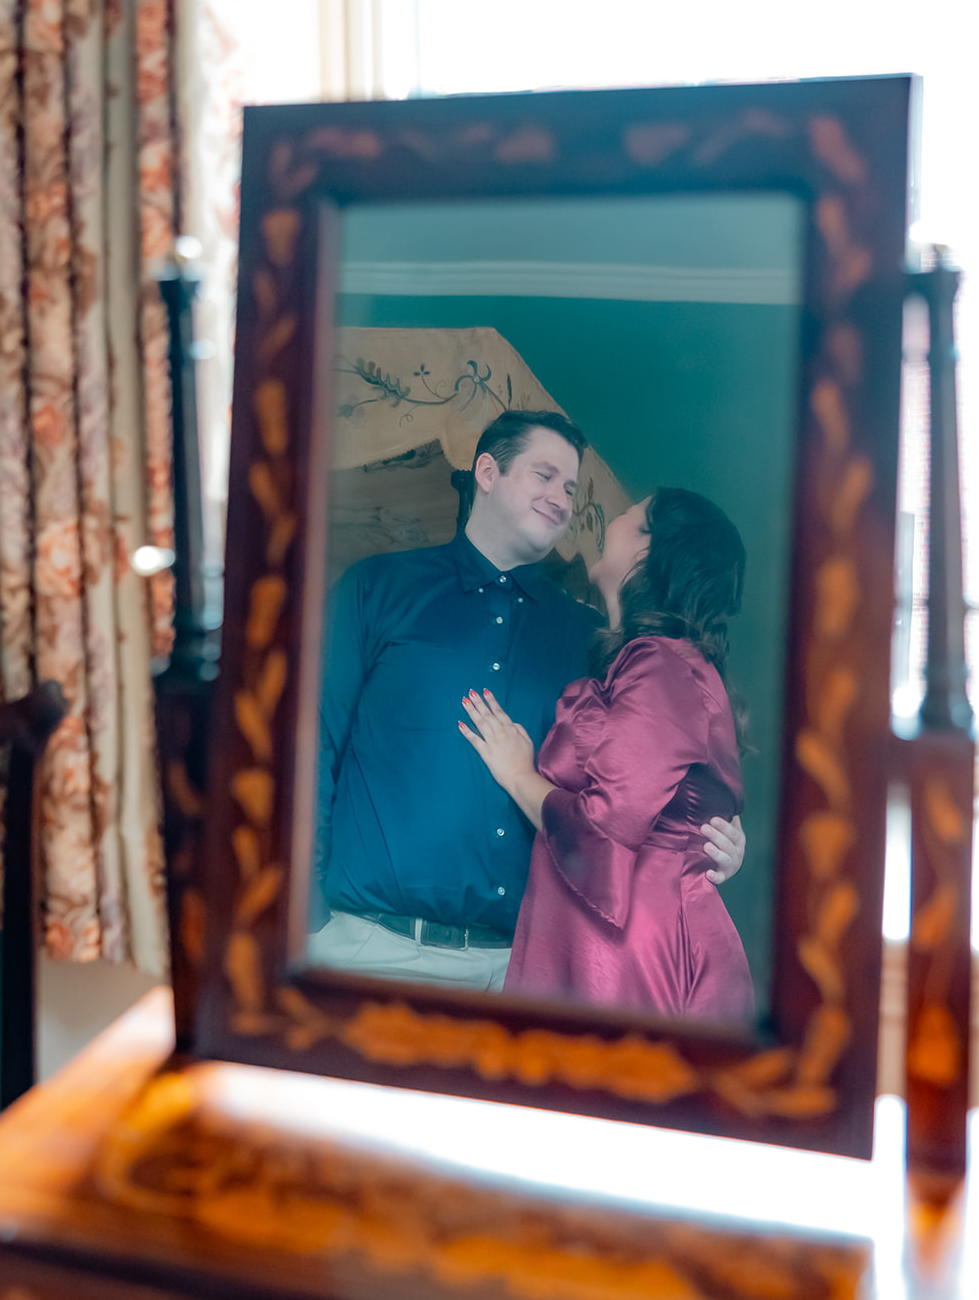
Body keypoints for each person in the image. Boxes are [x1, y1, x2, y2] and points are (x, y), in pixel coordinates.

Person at [311, 413, 745, 991]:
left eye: (570, 488)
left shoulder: (594, 641)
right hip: (366, 948)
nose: (562, 500)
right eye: (545, 475)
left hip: (517, 969)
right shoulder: (377, 588)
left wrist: (708, 843)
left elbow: (634, 786)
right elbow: (312, 743)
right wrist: (304, 915)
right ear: (487, 472)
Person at [459, 487, 754, 1020]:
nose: (606, 523)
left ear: (646, 551)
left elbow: (603, 829)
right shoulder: (636, 660)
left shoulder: (661, 665)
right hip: (594, 930)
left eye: (625, 516)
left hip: (625, 944)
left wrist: (519, 776)